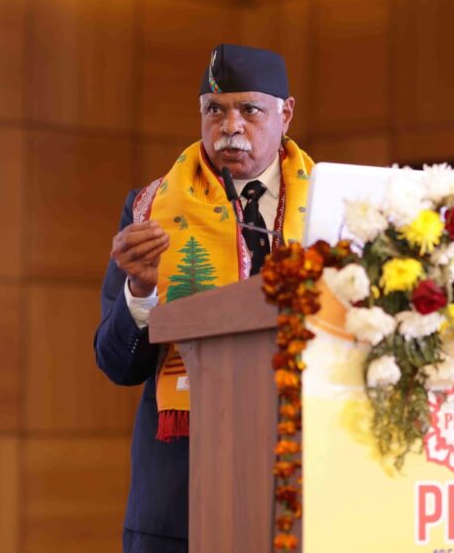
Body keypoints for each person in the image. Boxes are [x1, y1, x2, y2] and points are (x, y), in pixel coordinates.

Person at [94, 43, 314, 553]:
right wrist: (141, 291)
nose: (230, 127)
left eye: (249, 110)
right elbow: (116, 364)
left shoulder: (336, 204)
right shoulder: (151, 208)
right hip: (181, 502)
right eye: (215, 110)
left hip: (306, 483)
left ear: (286, 113)